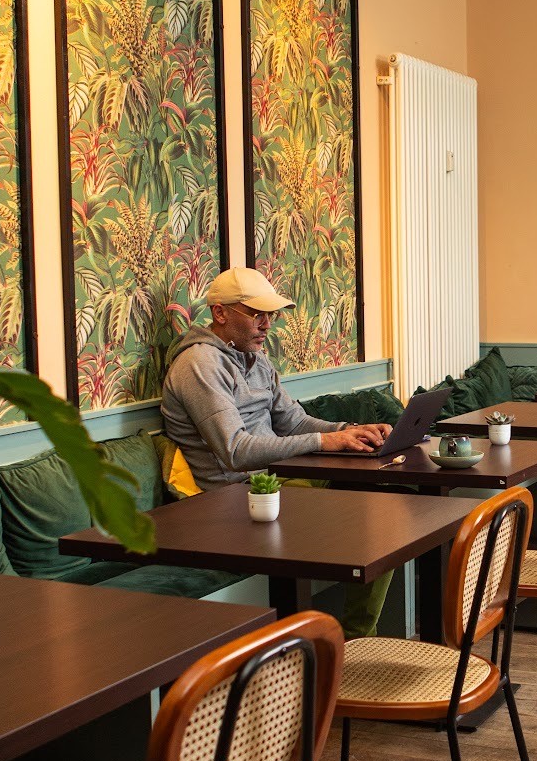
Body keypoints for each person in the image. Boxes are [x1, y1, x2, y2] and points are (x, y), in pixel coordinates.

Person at [161, 265, 394, 634]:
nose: (267, 323)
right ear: (220, 313)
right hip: (235, 503)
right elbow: (235, 450)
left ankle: (350, 641)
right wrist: (323, 442)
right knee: (370, 525)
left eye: (270, 314)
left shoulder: (256, 358)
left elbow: (293, 421)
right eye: (256, 313)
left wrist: (348, 432)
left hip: (277, 485)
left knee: (382, 511)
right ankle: (347, 645)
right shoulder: (199, 364)